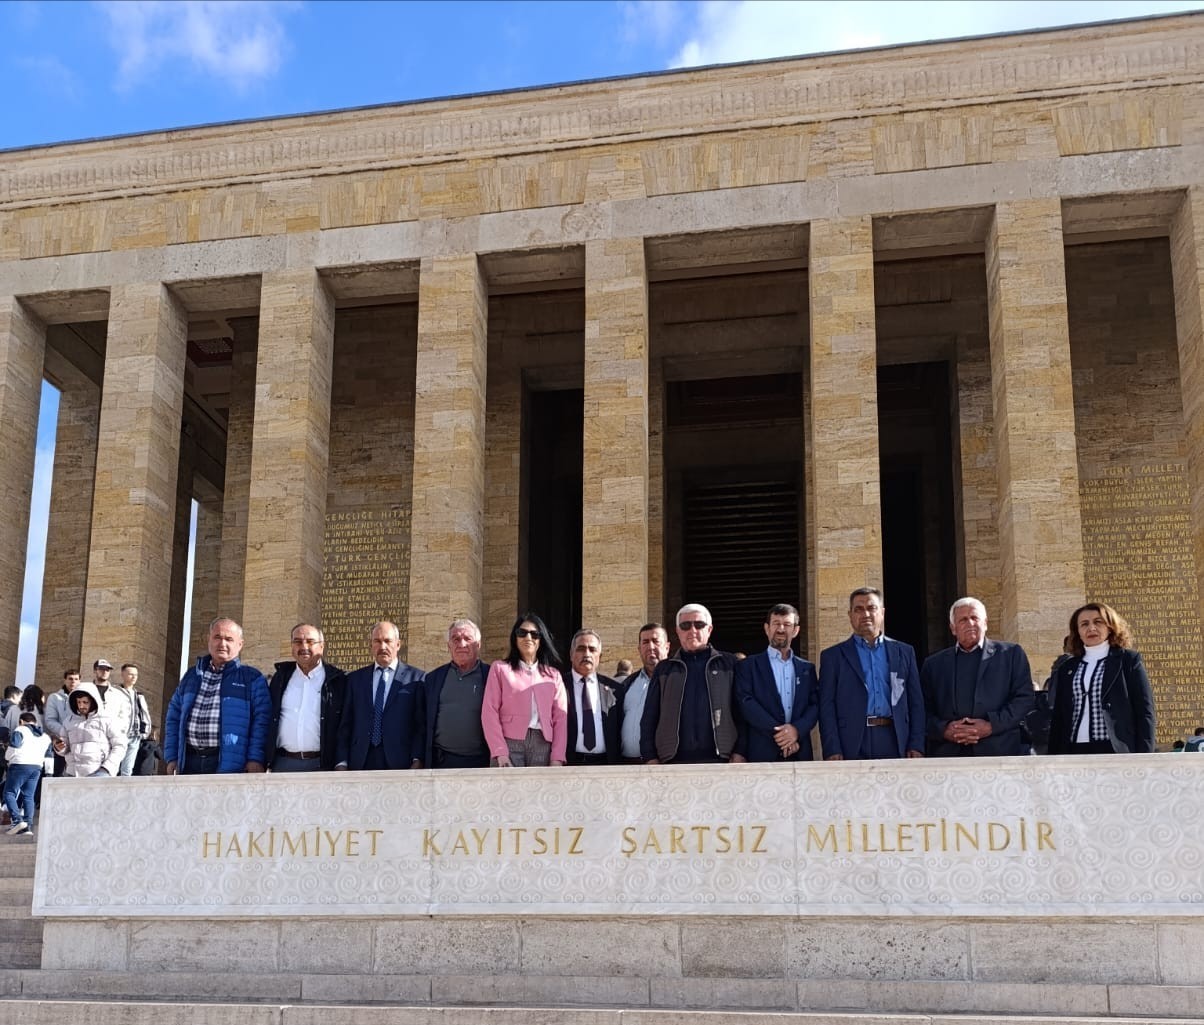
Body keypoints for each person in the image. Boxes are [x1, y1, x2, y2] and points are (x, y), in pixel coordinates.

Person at [920, 597, 1035, 757]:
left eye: (975, 618)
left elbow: (1024, 699)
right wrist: (945, 729)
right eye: (963, 620)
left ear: (985, 623)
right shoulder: (933, 664)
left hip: (1000, 751)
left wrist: (991, 726)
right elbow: (922, 708)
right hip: (948, 754)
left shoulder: (1010, 654)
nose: (970, 624)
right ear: (953, 628)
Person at [818, 587, 925, 760]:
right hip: (851, 742)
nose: (865, 614)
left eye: (871, 608)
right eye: (858, 609)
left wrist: (916, 743)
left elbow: (916, 702)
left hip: (896, 738)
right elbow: (826, 706)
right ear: (850, 615)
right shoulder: (833, 656)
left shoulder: (904, 652)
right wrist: (832, 748)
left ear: (882, 613)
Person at [640, 603, 746, 765]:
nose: (692, 630)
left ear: (709, 630)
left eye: (699, 625)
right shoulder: (664, 669)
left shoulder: (730, 664)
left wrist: (740, 751)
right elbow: (650, 716)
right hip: (672, 761)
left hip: (722, 759)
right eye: (685, 625)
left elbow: (743, 713)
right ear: (677, 631)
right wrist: (650, 756)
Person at [164, 617, 271, 775]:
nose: (222, 644)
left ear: (240, 644)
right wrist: (172, 757)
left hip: (229, 762)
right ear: (209, 640)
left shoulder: (252, 678)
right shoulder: (192, 676)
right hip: (189, 760)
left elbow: (262, 721)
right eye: (217, 637)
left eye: (229, 639)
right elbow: (173, 717)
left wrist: (255, 759)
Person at [1048, 602, 1155, 754]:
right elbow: (1059, 715)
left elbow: (1145, 710)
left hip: (1114, 747)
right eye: (1084, 624)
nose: (1091, 628)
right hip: (1072, 748)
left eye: (1098, 622)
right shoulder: (1067, 667)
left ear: (1110, 626)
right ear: (1077, 631)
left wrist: (1145, 756)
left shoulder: (1128, 660)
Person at [336, 621, 425, 771]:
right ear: (371, 645)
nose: (382, 647)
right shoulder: (355, 679)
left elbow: (420, 725)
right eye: (377, 641)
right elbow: (346, 723)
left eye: (387, 641)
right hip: (360, 760)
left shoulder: (416, 678)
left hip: (400, 761)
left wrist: (418, 759)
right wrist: (341, 762)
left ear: (398, 644)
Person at [481, 613, 568, 767]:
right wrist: (500, 751)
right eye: (522, 633)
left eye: (534, 634)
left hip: (542, 743)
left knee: (541, 791)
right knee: (506, 790)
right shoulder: (500, 669)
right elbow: (489, 712)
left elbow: (560, 719)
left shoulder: (553, 675)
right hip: (508, 742)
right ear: (515, 638)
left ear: (541, 640)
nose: (528, 638)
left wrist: (557, 757)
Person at [735, 603, 819, 761]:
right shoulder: (747, 666)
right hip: (762, 752)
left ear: (795, 630)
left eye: (787, 624)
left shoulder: (807, 669)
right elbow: (746, 704)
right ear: (767, 628)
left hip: (800, 751)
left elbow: (814, 706)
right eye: (776, 624)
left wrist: (796, 731)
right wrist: (783, 736)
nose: (781, 629)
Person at [266, 623, 347, 772]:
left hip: (321, 764)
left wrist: (341, 762)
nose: (304, 647)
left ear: (321, 647)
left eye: (310, 641)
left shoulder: (338, 681)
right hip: (283, 763)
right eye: (297, 642)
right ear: (291, 646)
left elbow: (345, 726)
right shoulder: (280, 678)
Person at [423, 619, 491, 769]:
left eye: (468, 639)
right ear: (449, 646)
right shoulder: (433, 678)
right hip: (442, 762)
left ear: (478, 645)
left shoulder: (491, 676)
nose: (462, 644)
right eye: (456, 639)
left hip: (481, 762)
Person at [563, 629, 624, 765]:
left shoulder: (615, 690)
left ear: (600, 657)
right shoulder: (559, 685)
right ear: (571, 655)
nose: (587, 654)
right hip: (569, 763)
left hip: (606, 764)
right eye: (581, 649)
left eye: (592, 649)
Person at [618, 623, 670, 763]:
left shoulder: (677, 681)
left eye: (655, 641)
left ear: (667, 647)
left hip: (662, 764)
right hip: (626, 764)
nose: (651, 647)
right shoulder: (628, 684)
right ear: (639, 649)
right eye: (645, 642)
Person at [54, 682, 127, 778]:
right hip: (72, 774)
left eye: (85, 702)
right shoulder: (68, 721)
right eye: (78, 702)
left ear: (93, 701)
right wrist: (59, 747)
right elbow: (65, 748)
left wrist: (106, 769)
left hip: (99, 773)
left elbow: (120, 746)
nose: (81, 706)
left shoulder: (107, 719)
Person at [5, 712, 51, 836]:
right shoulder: (45, 736)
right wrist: (49, 773)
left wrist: (7, 757)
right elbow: (49, 755)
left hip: (19, 764)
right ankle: (28, 826)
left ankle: (17, 820)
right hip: (37, 767)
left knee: (9, 793)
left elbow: (14, 746)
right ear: (35, 722)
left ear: (21, 721)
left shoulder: (20, 730)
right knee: (29, 796)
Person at [115, 663, 152, 776]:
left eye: (136, 675)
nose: (134, 677)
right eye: (131, 674)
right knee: (113, 765)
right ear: (123, 674)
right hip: (120, 735)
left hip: (135, 735)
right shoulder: (115, 692)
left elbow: (144, 714)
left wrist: (146, 731)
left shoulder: (139, 695)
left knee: (128, 769)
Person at [45, 669, 80, 777]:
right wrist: (65, 732)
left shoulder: (83, 698)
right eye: (70, 679)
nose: (73, 681)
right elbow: (50, 720)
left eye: (76, 679)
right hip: (61, 742)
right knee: (57, 774)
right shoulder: (54, 698)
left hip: (79, 742)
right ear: (65, 680)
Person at [89, 658, 130, 734]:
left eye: (107, 670)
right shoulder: (86, 690)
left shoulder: (118, 694)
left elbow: (124, 717)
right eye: (101, 669)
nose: (104, 672)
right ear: (95, 670)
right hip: (90, 733)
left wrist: (118, 731)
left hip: (111, 735)